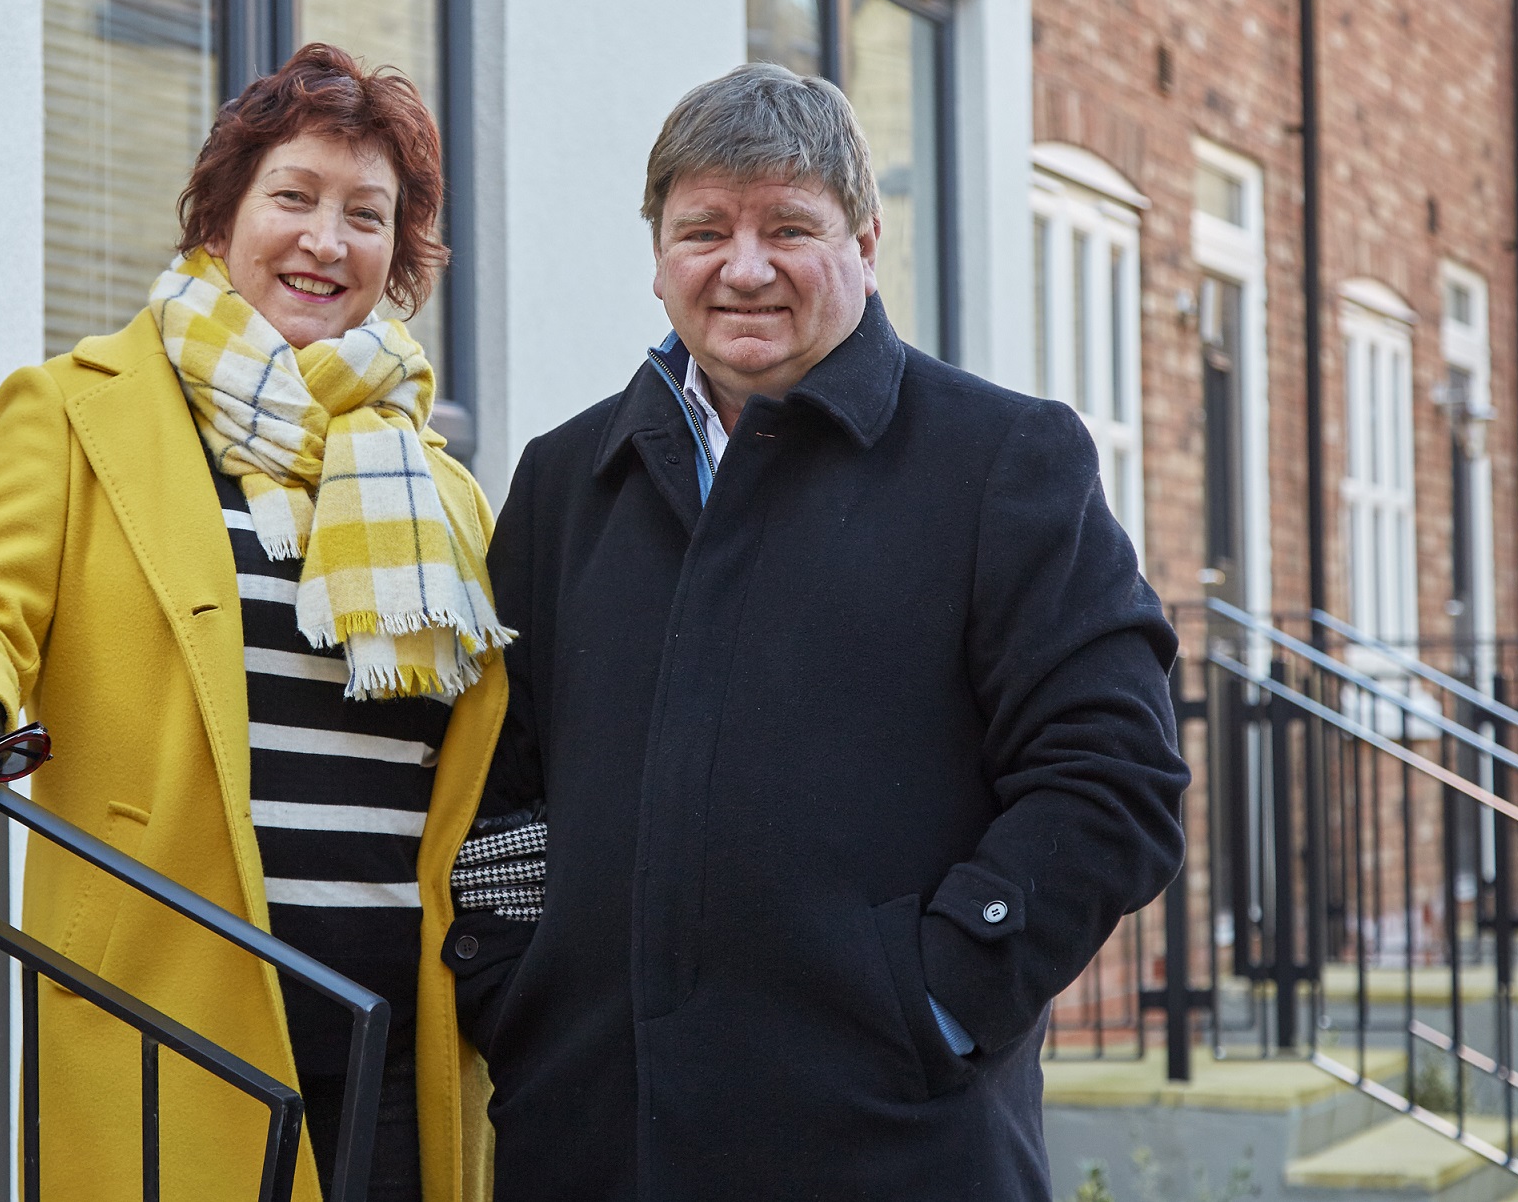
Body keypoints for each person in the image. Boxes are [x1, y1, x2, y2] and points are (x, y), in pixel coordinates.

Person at [441, 62, 1189, 1200]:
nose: (744, 267)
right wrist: (517, 987)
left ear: (866, 241)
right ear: (657, 257)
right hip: (596, 1141)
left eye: (789, 225)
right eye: (704, 230)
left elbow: (1114, 777)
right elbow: (500, 787)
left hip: (895, 1149)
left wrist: (939, 996)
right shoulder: (564, 483)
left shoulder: (1001, 463)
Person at [0, 43, 509, 1202]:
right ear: (222, 216)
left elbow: (480, 741)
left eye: (368, 213)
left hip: (404, 1018)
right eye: (296, 197)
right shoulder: (73, 408)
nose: (327, 239)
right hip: (173, 998)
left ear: (397, 255)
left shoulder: (440, 484)